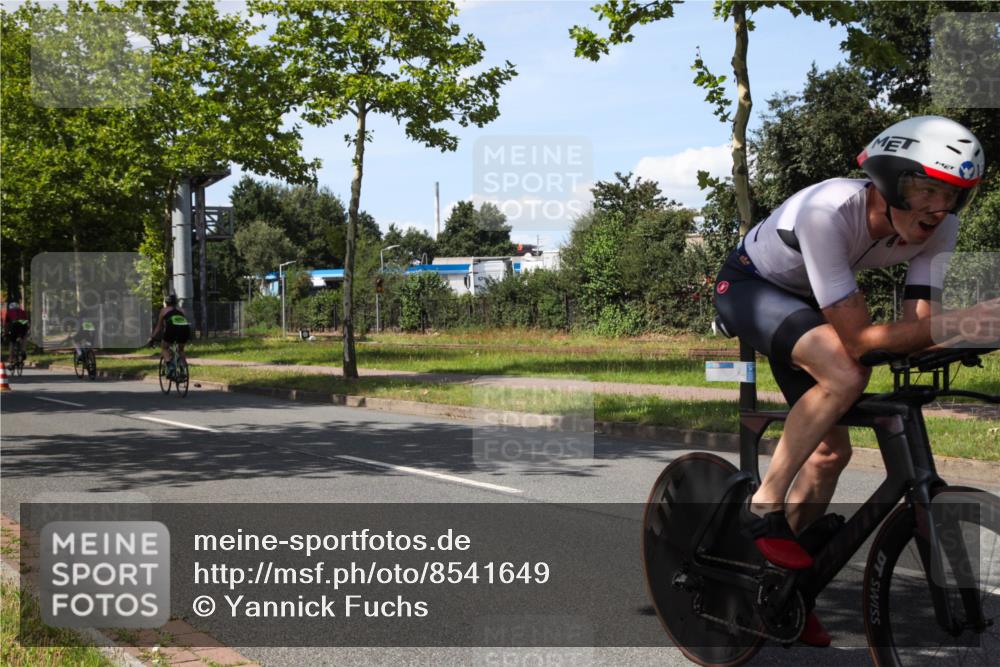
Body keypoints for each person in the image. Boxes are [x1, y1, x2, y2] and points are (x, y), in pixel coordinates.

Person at [713, 115, 998, 646]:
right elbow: (861, 341)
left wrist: (977, 332)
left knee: (830, 456)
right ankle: (764, 504)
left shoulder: (942, 229)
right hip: (752, 286)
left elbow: (917, 326)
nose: (939, 209)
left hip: (808, 303)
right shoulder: (829, 212)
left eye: (956, 196)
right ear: (889, 181)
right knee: (847, 372)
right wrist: (962, 320)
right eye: (926, 190)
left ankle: (782, 587)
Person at [149, 294, 191, 378]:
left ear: (166, 302)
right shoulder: (182, 310)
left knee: (164, 347)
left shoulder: (163, 310)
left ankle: (170, 367)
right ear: (176, 302)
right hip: (185, 328)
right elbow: (184, 321)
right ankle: (183, 368)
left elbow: (159, 327)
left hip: (172, 327)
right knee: (181, 349)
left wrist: (152, 338)